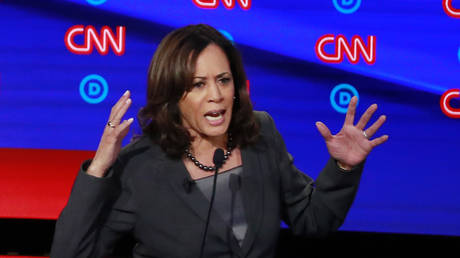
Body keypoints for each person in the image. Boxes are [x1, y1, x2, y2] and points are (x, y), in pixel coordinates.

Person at [50, 24, 388, 258]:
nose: (216, 95)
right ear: (172, 94)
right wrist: (99, 167)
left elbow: (313, 221)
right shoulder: (141, 166)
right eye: (198, 84)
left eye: (223, 80)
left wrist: (343, 166)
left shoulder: (260, 133)